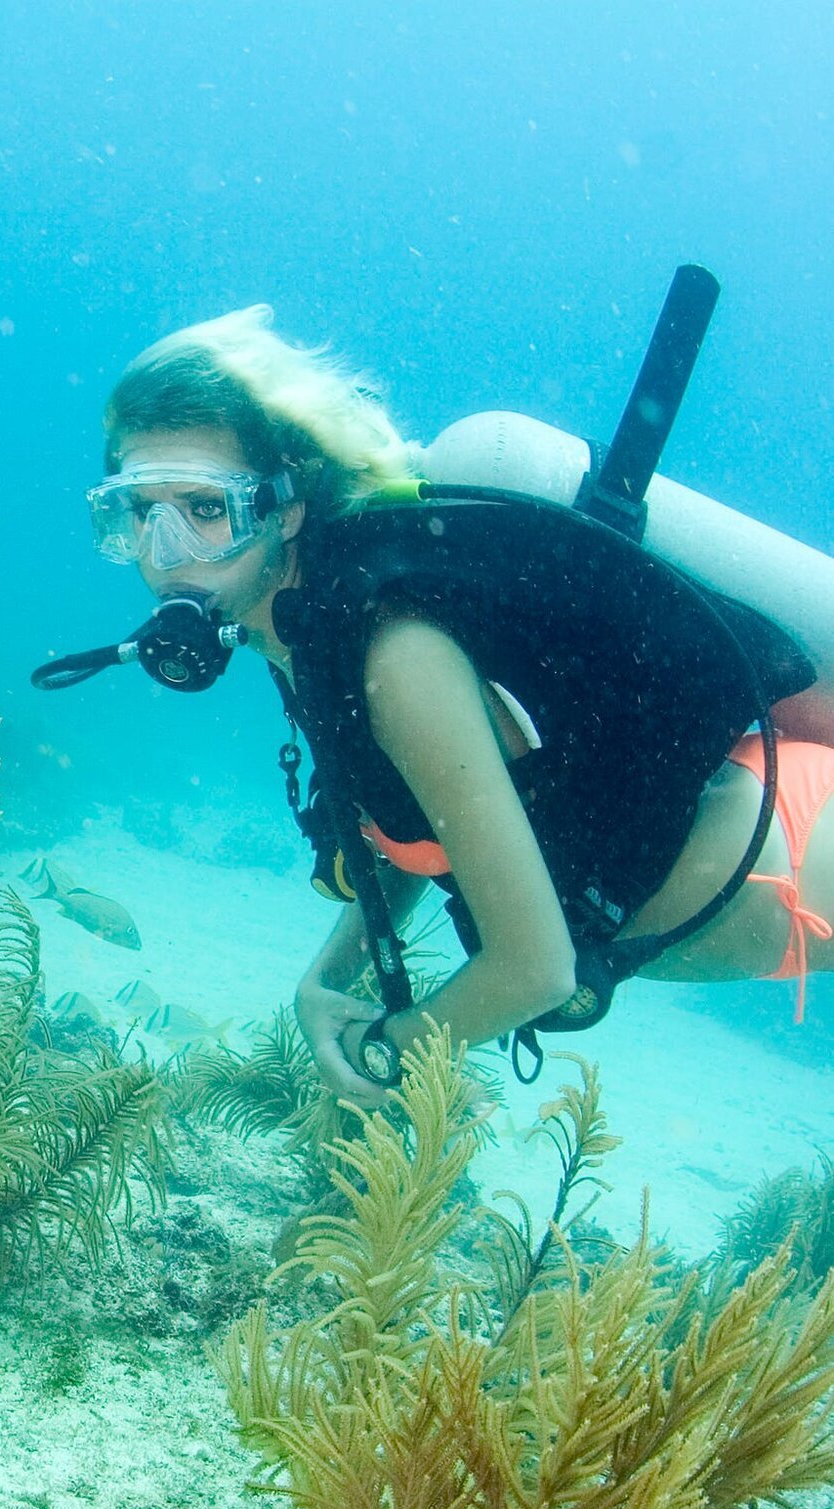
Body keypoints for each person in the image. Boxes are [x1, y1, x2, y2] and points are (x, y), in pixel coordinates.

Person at [77, 303, 834, 1107]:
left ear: (286, 505)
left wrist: (380, 1050)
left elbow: (537, 969)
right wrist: (327, 976)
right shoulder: (297, 625)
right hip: (749, 849)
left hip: (791, 853)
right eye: (138, 513)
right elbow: (423, 812)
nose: (167, 557)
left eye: (205, 509)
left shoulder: (392, 658)